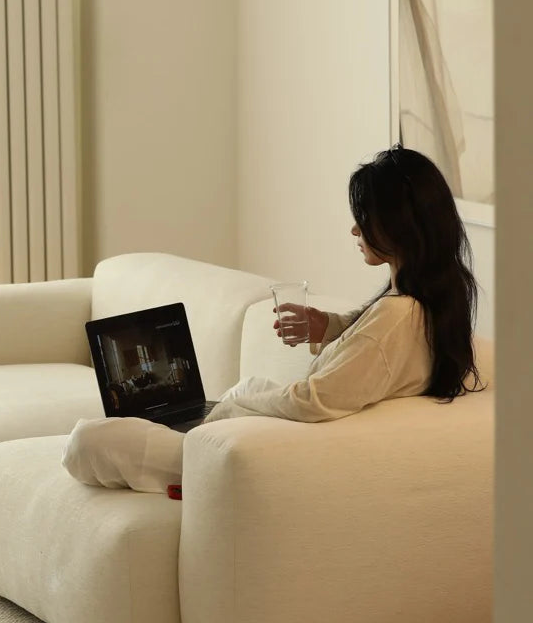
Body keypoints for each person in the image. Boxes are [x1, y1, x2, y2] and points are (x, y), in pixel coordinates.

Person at [62, 145, 484, 493]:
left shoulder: (395, 318)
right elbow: (378, 340)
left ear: (399, 224)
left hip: (265, 453)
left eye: (365, 217)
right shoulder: (433, 299)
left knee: (87, 440)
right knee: (247, 386)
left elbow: (313, 400)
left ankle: (189, 471)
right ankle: (192, 444)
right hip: (267, 438)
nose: (356, 230)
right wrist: (329, 326)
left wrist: (233, 409)